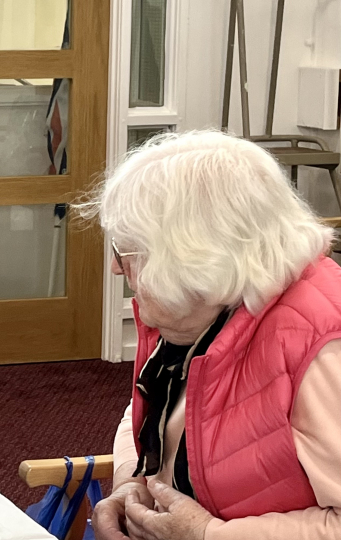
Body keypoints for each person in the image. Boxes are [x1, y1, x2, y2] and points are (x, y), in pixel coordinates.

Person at [82, 131, 341, 540]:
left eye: (128, 250)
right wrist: (134, 486)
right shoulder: (198, 304)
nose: (117, 269)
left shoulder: (323, 348)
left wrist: (208, 535)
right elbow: (157, 413)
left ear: (192, 256)